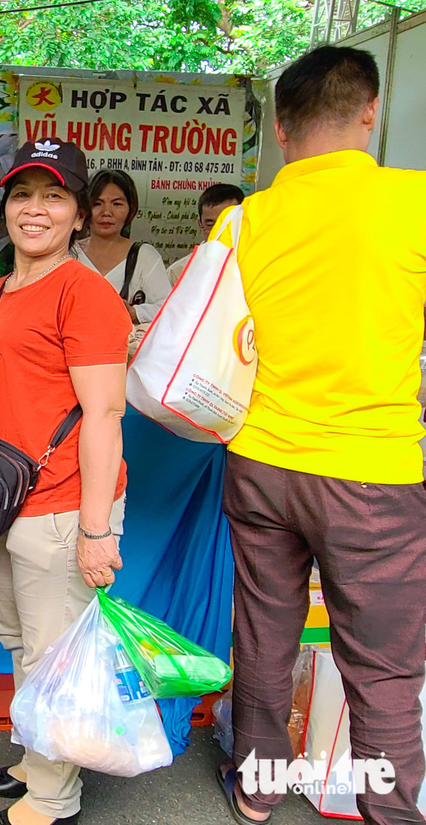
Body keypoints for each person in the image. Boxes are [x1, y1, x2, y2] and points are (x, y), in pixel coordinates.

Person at [215, 46, 426, 825]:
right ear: (370, 111)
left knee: (265, 640)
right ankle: (391, 814)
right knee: (382, 668)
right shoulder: (415, 202)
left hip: (262, 462)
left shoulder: (246, 218)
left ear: (281, 125)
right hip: (374, 472)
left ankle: (258, 788)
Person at [0, 139, 132, 825]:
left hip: (60, 503)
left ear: (79, 216)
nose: (35, 209)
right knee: (22, 639)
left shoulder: (86, 294)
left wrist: (94, 529)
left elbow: (105, 414)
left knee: (57, 654)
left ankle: (54, 798)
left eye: (53, 196)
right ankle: (35, 757)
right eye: (23, 194)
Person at [76, 168, 170, 324]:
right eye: (97, 203)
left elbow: (168, 309)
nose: (107, 212)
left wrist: (134, 312)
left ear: (130, 209)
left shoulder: (144, 256)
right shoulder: (68, 252)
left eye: (117, 204)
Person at [166, 183, 244, 285]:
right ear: (200, 224)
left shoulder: (259, 269)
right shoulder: (178, 273)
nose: (219, 232)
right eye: (211, 225)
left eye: (228, 224)